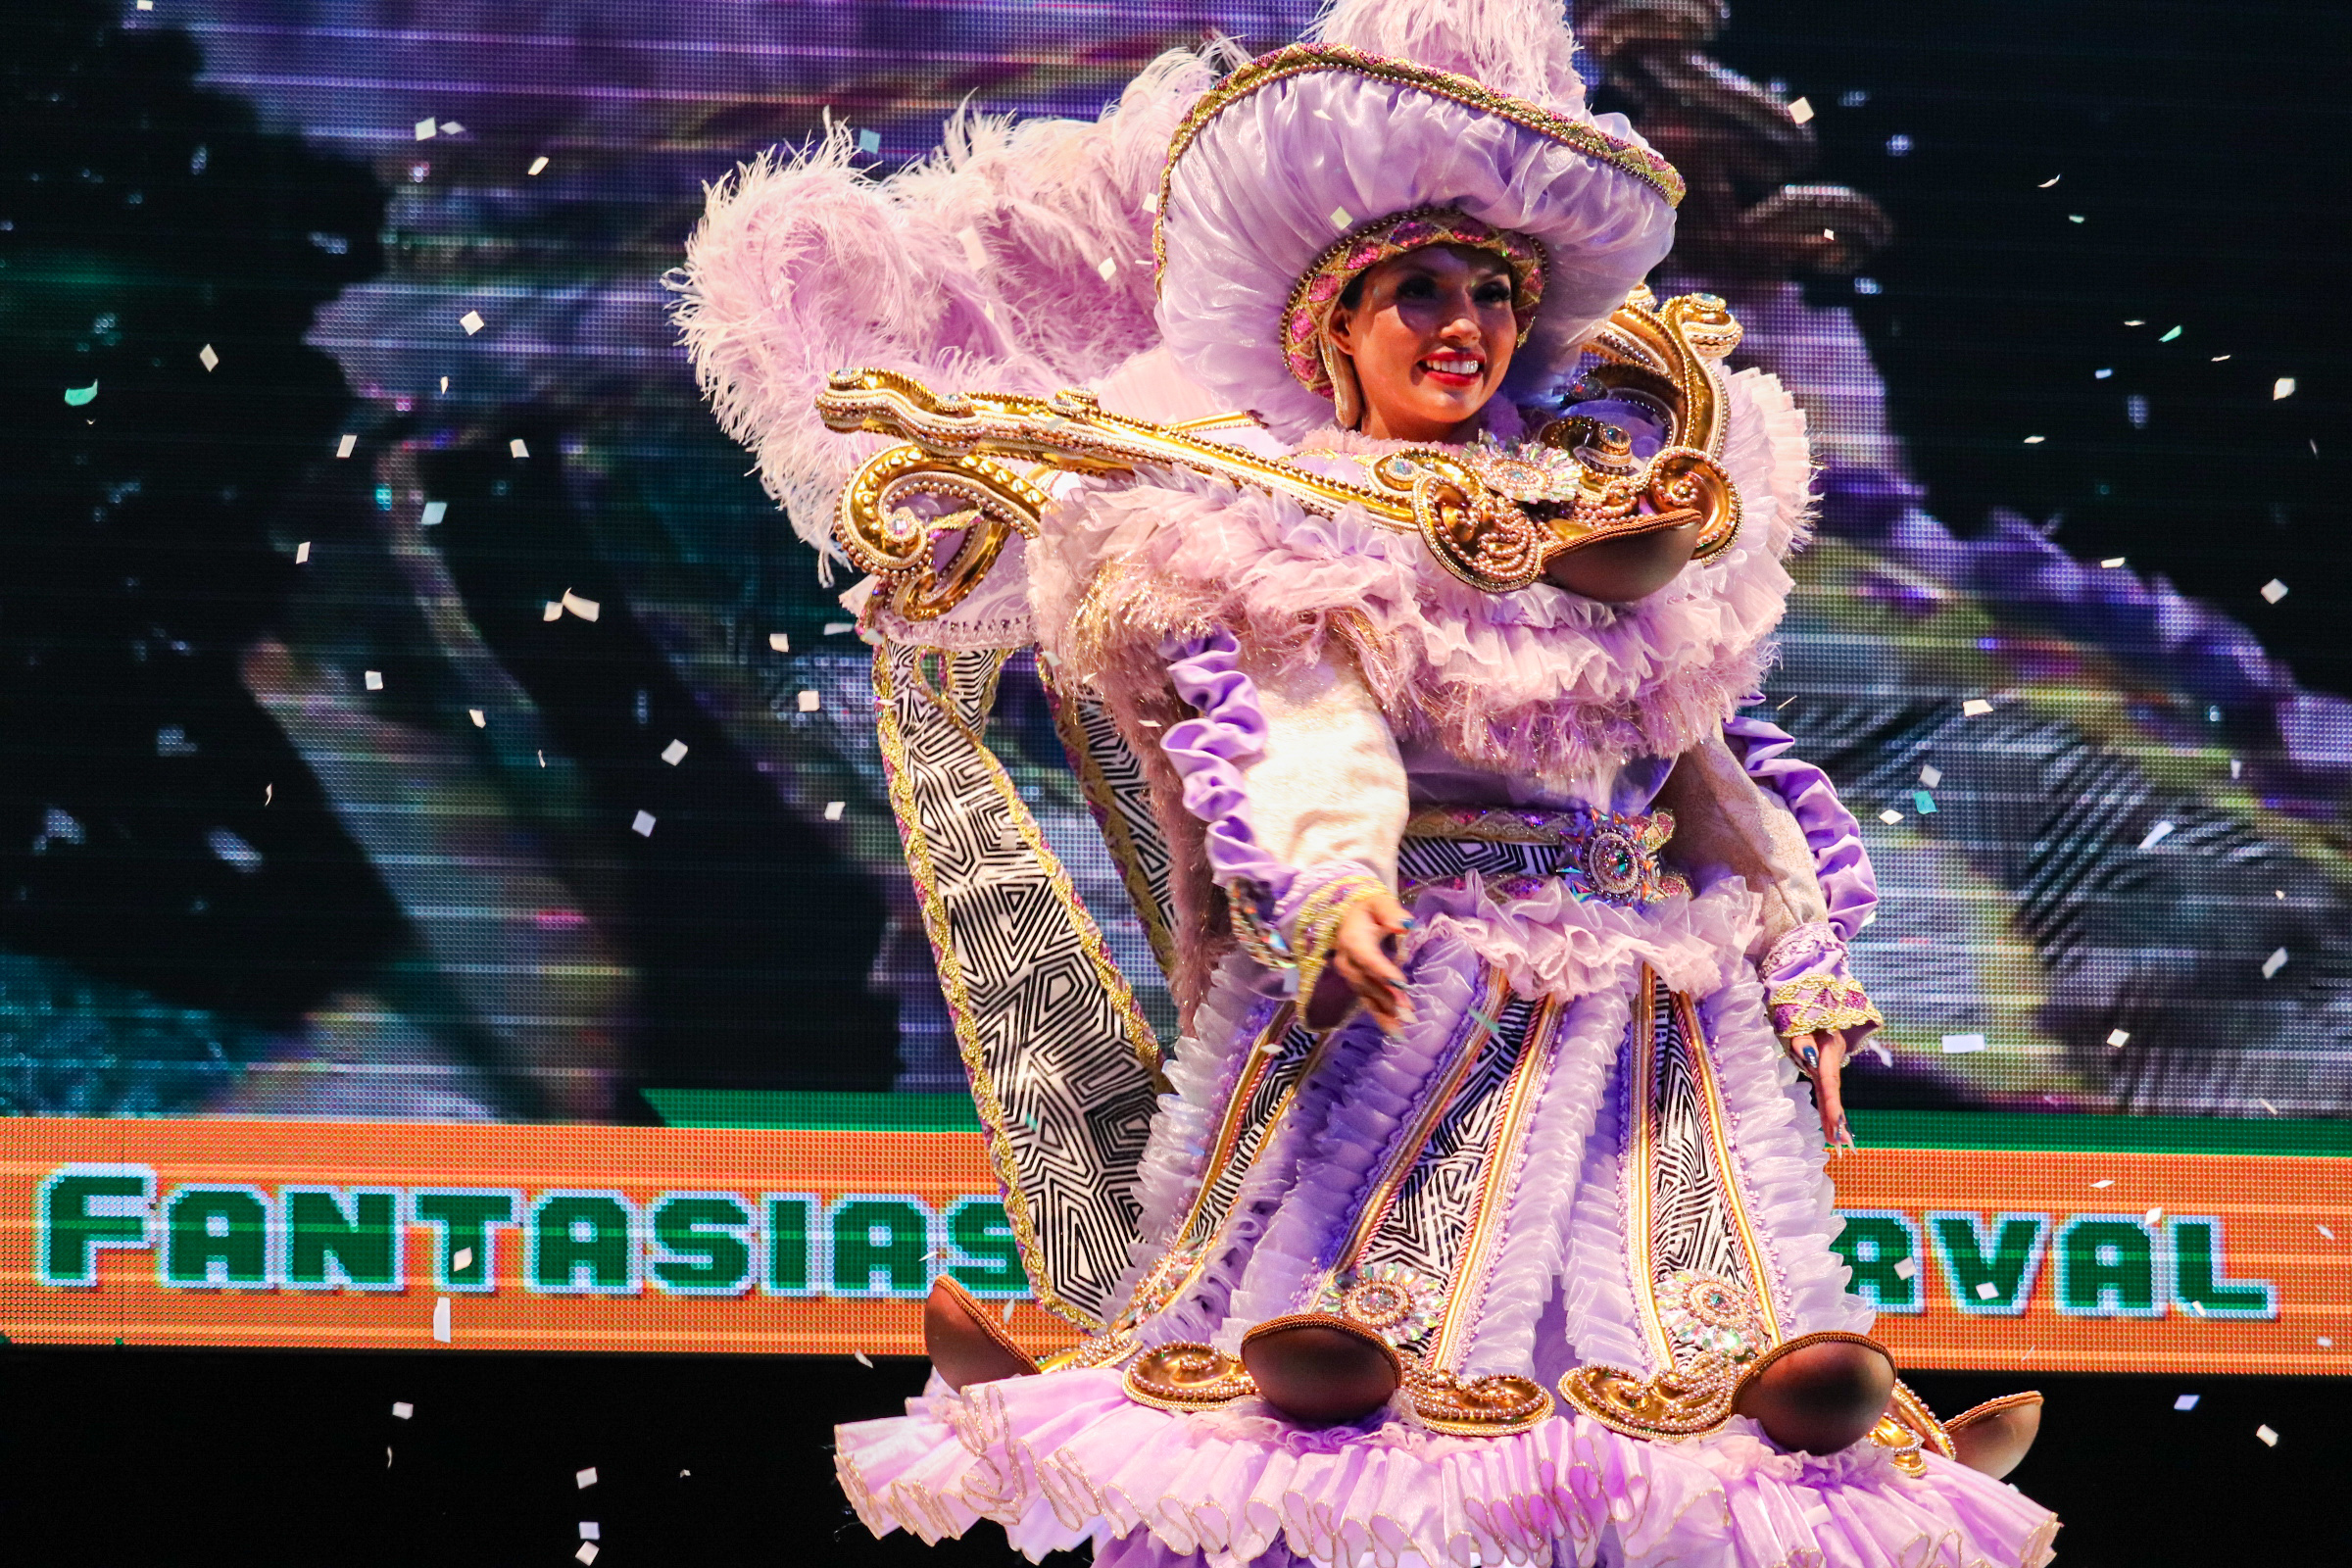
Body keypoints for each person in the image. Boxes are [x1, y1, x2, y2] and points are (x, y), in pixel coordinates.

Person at [676, 1, 2058, 1562]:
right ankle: (1296, 1378)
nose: (1465, 325)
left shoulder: (1596, 515)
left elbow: (1712, 777)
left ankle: (1777, 1408)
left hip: (1646, 987)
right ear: (1333, 326)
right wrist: (1333, 891)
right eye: (1421, 290)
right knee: (1343, 1267)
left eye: (1492, 293)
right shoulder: (1294, 527)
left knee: (1683, 1277)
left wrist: (1806, 965)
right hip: (1421, 965)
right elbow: (1309, 726)